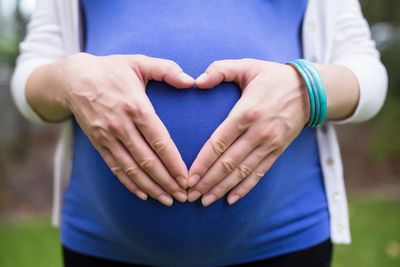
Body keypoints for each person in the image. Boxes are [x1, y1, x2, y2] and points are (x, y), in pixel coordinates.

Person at [11, 0, 387, 266]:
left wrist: (306, 90)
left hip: (285, 240)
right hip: (103, 244)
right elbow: (31, 73)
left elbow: (368, 73)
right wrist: (71, 80)